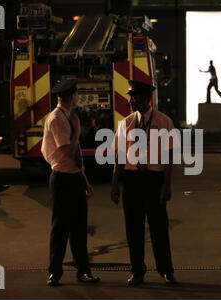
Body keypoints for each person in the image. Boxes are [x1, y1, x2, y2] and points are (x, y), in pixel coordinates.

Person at [110, 80, 177, 286]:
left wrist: (166, 185)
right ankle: (137, 271)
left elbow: (168, 156)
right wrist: (114, 185)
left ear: (147, 98)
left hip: (153, 179)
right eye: (131, 96)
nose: (131, 100)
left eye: (135, 97)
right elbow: (119, 156)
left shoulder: (164, 122)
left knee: (159, 227)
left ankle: (166, 270)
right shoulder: (126, 123)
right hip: (131, 181)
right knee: (133, 228)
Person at [42, 79, 100, 286]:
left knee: (79, 228)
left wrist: (84, 179)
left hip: (73, 177)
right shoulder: (58, 118)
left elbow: (77, 154)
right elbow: (68, 149)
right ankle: (55, 272)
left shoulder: (66, 116)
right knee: (61, 227)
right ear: (71, 96)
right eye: (76, 95)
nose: (77, 98)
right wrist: (77, 129)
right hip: (62, 179)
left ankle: (83, 271)